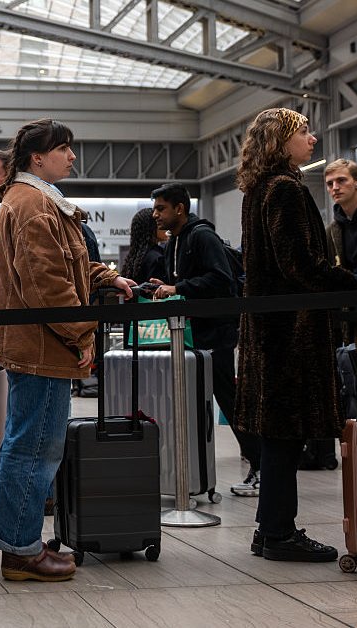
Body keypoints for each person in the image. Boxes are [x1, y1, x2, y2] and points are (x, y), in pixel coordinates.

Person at [0, 118, 135, 582]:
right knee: (35, 447)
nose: (72, 156)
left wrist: (107, 277)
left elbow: (67, 267)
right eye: (64, 149)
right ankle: (21, 552)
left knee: (24, 441)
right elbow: (48, 288)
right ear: (38, 157)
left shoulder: (35, 200)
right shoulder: (33, 205)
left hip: (36, 344)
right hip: (42, 346)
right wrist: (83, 334)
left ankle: (15, 535)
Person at [235, 107, 357, 562]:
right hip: (289, 335)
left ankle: (271, 529)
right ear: (281, 140)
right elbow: (300, 266)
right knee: (286, 434)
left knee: (280, 434)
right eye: (303, 132)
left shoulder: (259, 189)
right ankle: (278, 533)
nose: (312, 139)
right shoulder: (284, 190)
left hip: (268, 330)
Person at [148, 182, 261, 497]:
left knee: (229, 399)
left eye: (161, 208)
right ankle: (202, 472)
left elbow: (220, 279)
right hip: (195, 333)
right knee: (201, 402)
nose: (155, 214)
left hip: (218, 332)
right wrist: (168, 284)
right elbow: (185, 282)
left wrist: (179, 287)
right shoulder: (175, 242)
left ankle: (261, 464)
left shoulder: (202, 236)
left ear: (179, 208)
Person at [325, 158, 357, 346]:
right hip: (353, 322)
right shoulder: (332, 231)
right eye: (330, 184)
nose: (335, 187)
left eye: (341, 180)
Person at [120, 207, 167, 284]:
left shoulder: (134, 258)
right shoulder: (157, 258)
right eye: (159, 222)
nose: (164, 227)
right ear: (152, 227)